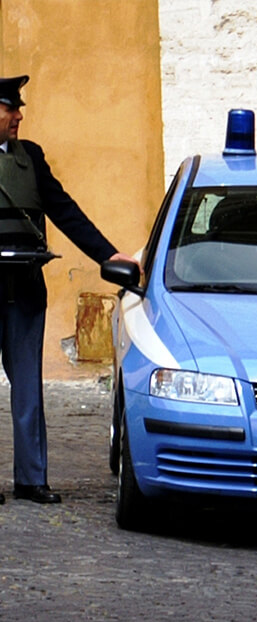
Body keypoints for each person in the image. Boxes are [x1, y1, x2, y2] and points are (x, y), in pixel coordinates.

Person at [0, 74, 138, 505]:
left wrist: (108, 255)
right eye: (10, 109)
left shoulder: (32, 158)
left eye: (17, 109)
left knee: (28, 386)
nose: (19, 116)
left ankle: (31, 479)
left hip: (23, 285)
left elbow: (64, 211)